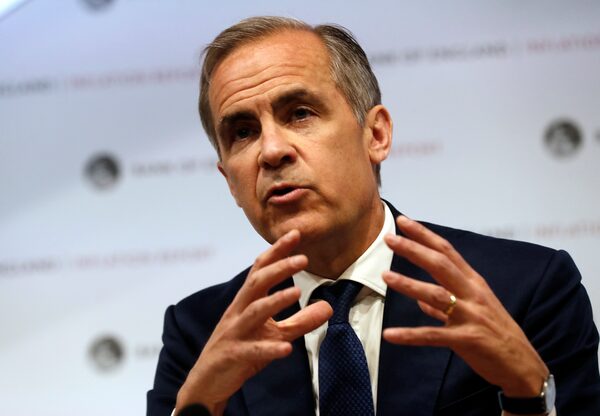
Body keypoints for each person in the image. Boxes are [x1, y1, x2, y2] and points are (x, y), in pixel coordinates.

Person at [147, 16, 600, 416]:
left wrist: (529, 393)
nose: (272, 150)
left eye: (300, 113)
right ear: (230, 180)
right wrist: (196, 408)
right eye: (243, 132)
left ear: (376, 135)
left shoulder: (525, 289)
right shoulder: (200, 333)